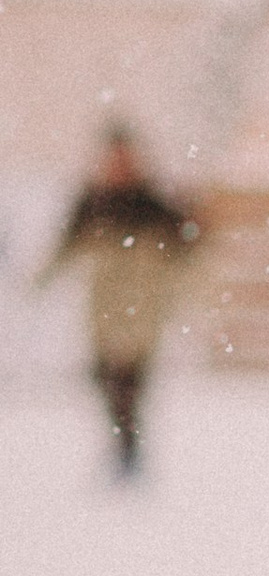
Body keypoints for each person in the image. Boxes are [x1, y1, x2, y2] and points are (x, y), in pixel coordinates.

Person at [45, 128, 197, 479]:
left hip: (141, 309)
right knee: (103, 378)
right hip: (104, 309)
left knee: (128, 382)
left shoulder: (153, 203)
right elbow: (64, 248)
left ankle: (128, 452)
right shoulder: (92, 203)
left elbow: (186, 248)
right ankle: (124, 446)